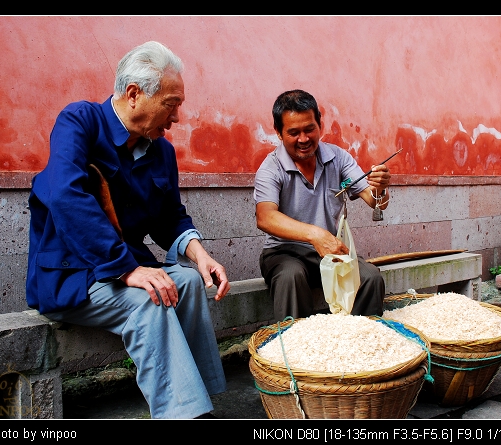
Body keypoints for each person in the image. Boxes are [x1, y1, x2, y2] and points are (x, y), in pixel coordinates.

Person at [25, 41, 230, 419]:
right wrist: (128, 268)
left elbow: (171, 217)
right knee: (149, 302)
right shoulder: (80, 121)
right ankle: (187, 415)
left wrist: (200, 256)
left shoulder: (161, 150)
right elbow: (65, 195)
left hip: (125, 268)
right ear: (134, 94)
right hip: (73, 275)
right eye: (172, 104)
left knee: (186, 283)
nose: (177, 118)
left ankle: (196, 400)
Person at [254, 89, 390, 322]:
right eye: (293, 133)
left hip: (327, 252)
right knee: (291, 277)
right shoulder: (271, 168)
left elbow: (374, 201)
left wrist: (380, 188)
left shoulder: (339, 158)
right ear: (278, 133)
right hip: (283, 253)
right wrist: (315, 235)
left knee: (370, 277)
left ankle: (357, 343)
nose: (304, 139)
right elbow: (265, 217)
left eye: (309, 129)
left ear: (320, 124)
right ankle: (297, 350)